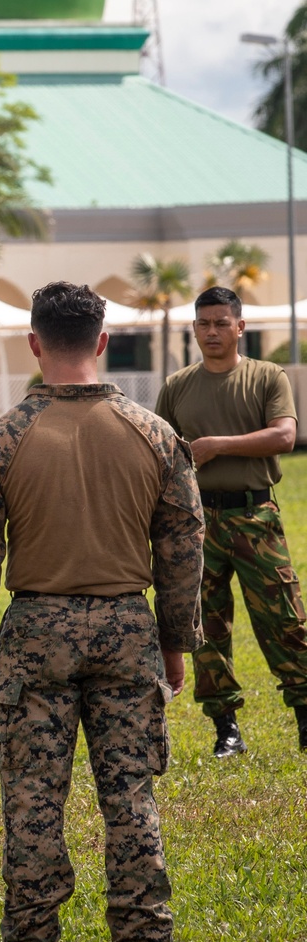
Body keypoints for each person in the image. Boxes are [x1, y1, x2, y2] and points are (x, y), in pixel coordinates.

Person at [0, 281, 203, 942]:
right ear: (103, 340)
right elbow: (183, 547)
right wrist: (176, 640)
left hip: (36, 630)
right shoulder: (155, 434)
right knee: (131, 796)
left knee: (31, 799)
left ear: (34, 343)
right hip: (127, 627)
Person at [156, 284, 307, 755]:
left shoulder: (267, 377)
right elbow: (158, 452)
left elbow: (284, 436)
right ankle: (226, 728)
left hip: (255, 514)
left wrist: (218, 444)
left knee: (284, 617)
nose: (212, 331)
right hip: (198, 520)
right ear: (194, 328)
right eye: (203, 323)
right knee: (205, 626)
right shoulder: (178, 386)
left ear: (240, 327)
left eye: (222, 323)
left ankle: (305, 715)